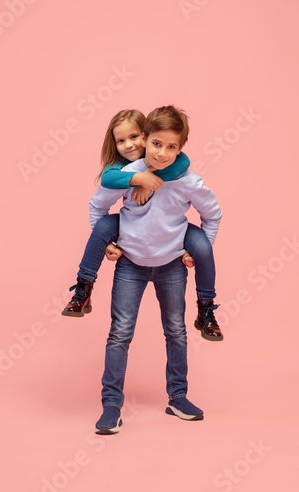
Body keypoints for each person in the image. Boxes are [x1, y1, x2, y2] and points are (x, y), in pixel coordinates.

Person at [88, 105, 222, 434]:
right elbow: (98, 206)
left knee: (176, 331)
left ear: (181, 148)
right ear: (145, 139)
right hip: (131, 265)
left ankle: (177, 397)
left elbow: (213, 214)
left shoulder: (188, 182)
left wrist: (197, 249)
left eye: (172, 147)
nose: (162, 153)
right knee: (119, 334)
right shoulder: (130, 173)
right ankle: (111, 405)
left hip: (171, 266)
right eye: (157, 144)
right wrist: (106, 243)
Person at [62, 109, 223, 341]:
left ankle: (206, 308)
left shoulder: (177, 167)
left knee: (203, 246)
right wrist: (139, 178)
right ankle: (83, 287)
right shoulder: (122, 169)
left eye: (134, 137)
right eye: (121, 140)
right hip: (130, 237)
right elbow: (106, 182)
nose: (129, 145)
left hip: (172, 240)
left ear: (144, 135)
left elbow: (182, 162)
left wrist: (152, 177)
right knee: (105, 225)